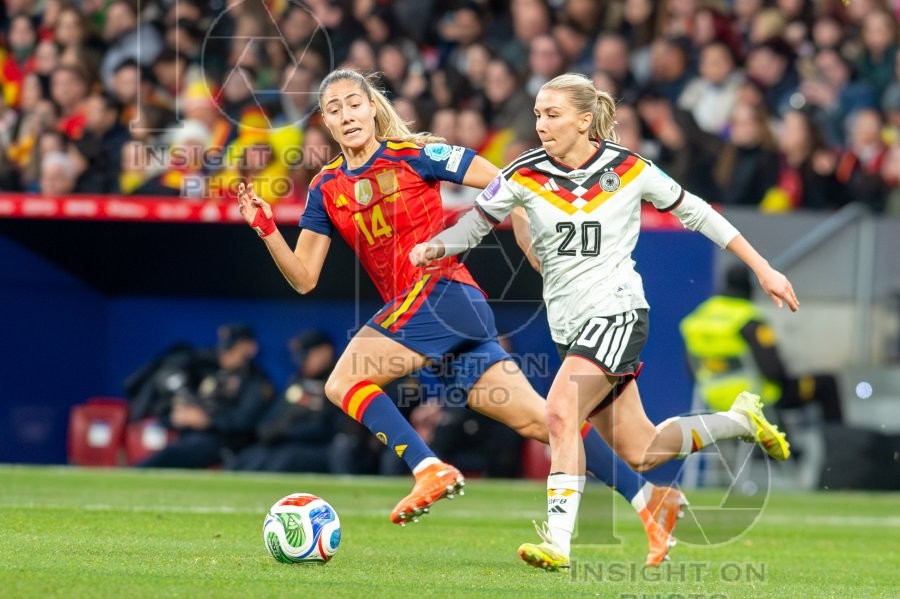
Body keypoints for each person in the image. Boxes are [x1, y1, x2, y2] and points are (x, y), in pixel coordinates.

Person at [237, 68, 685, 565]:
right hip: (443, 314)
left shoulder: (417, 154)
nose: (346, 115)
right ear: (324, 121)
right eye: (334, 109)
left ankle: (428, 467)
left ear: (372, 107)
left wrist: (523, 233)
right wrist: (265, 230)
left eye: (353, 103)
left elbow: (505, 181)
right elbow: (304, 278)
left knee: (343, 383)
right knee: (546, 421)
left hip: (441, 292)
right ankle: (650, 500)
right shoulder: (326, 187)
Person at [409, 73, 798, 572]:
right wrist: (438, 245)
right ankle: (741, 421)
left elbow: (698, 213)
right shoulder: (524, 173)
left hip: (617, 311)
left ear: (584, 120)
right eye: (537, 114)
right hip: (570, 328)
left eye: (552, 114)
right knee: (642, 451)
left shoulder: (629, 169)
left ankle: (558, 541)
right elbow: (476, 223)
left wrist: (763, 267)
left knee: (558, 411)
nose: (541, 123)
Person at [680, 264, 843, 423]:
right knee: (827, 384)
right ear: (750, 288)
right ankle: (839, 447)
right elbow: (773, 371)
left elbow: (691, 367)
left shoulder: (698, 318)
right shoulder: (749, 319)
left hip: (712, 398)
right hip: (755, 398)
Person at [138, 324, 275, 469]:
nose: (224, 354)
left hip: (226, 444)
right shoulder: (211, 371)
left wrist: (207, 420)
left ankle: (134, 473)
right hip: (193, 437)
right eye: (224, 349)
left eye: (231, 349)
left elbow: (244, 421)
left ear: (249, 348)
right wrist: (179, 416)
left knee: (172, 455)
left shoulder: (257, 381)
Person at [228, 329, 344, 472]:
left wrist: (287, 431)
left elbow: (328, 427)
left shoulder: (337, 381)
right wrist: (273, 430)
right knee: (249, 457)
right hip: (286, 444)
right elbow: (275, 415)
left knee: (284, 460)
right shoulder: (297, 381)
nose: (302, 363)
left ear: (325, 351)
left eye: (306, 356)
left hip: (321, 447)